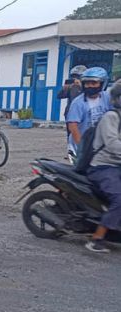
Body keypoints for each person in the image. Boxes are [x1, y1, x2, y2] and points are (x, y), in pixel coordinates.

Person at [85, 80, 121, 253]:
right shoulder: (111, 117)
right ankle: (97, 238)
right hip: (103, 166)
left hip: (116, 165)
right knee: (119, 199)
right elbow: (112, 144)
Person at [67, 67, 111, 160]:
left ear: (103, 83)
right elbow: (73, 127)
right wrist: (82, 148)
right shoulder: (78, 103)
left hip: (102, 145)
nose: (90, 86)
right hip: (82, 144)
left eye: (94, 83)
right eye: (87, 83)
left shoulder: (107, 97)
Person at [57, 65, 86, 129]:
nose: (75, 79)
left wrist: (81, 86)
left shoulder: (87, 87)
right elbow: (59, 96)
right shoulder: (71, 87)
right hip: (70, 114)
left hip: (82, 113)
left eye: (77, 77)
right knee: (70, 135)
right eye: (73, 77)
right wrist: (64, 89)